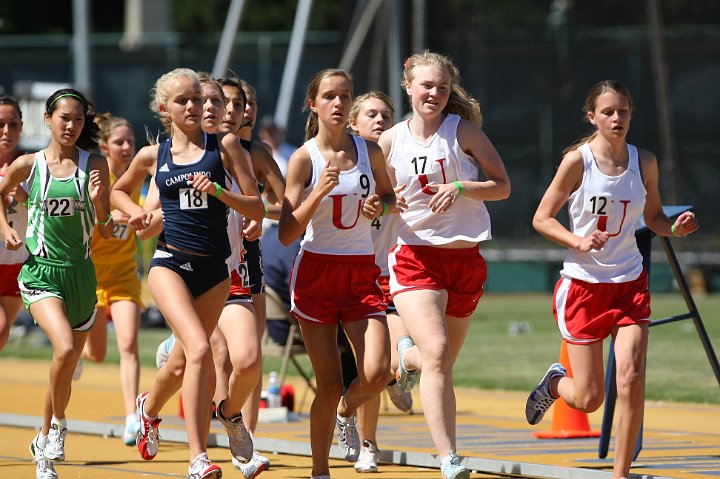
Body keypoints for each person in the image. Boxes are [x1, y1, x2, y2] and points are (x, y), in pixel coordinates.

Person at [525, 79, 699, 479]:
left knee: (632, 376)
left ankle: (620, 474)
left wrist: (675, 229)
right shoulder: (577, 161)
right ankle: (554, 385)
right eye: (608, 112)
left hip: (629, 283)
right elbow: (541, 218)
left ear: (631, 113)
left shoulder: (645, 162)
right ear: (592, 117)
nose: (617, 118)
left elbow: (653, 218)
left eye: (623, 110)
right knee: (588, 399)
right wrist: (578, 241)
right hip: (583, 286)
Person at [111, 68, 264, 479]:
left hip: (215, 270)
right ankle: (198, 458)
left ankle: (147, 409)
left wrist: (219, 192)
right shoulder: (153, 155)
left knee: (180, 365)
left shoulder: (226, 146)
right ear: (165, 109)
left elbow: (256, 208)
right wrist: (136, 212)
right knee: (201, 351)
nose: (195, 106)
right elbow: (118, 190)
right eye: (184, 101)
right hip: (169, 264)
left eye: (198, 98)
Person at [378, 51, 510, 479]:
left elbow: (502, 187)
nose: (433, 93)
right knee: (438, 354)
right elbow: (374, 198)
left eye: (441, 87)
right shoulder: (390, 140)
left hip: (465, 259)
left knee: (440, 360)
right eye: (426, 85)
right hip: (415, 257)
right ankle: (449, 458)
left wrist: (461, 186)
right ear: (409, 87)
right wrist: (384, 202)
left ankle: (406, 357)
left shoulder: (462, 131)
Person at [278, 68, 396, 479]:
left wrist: (378, 207)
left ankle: (348, 409)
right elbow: (287, 229)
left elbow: (388, 195)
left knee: (379, 373)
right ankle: (320, 471)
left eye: (346, 95)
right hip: (316, 272)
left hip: (361, 270)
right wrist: (317, 193)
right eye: (330, 96)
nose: (339, 103)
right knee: (327, 384)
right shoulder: (303, 158)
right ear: (314, 104)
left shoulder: (369, 151)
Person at [0, 88, 113, 479]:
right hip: (40, 272)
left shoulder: (94, 163)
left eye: (78, 119)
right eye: (64, 117)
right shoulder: (29, 165)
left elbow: (110, 230)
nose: (71, 125)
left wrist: (101, 205)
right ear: (48, 119)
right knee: (64, 348)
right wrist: (5, 229)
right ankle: (60, 425)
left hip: (81, 273)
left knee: (64, 367)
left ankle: (42, 449)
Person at [347, 90, 413, 474]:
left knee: (392, 364)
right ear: (353, 123)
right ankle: (367, 440)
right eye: (371, 114)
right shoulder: (342, 163)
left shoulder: (403, 165)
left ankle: (390, 383)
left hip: (393, 275)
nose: (380, 121)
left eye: (386, 115)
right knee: (372, 368)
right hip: (350, 275)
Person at [81, 113, 143, 446]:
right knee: (97, 355)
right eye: (120, 142)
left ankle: (132, 416)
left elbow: (145, 215)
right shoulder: (96, 178)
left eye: (130, 141)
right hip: (91, 277)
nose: (127, 147)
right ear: (105, 146)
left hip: (122, 277)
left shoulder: (136, 177)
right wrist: (109, 214)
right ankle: (75, 355)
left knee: (129, 343)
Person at [0, 95, 27, 351]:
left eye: (13, 124)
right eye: (0, 124)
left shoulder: (30, 166)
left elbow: (45, 210)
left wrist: (25, 198)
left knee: (3, 334)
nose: (6, 131)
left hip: (15, 263)